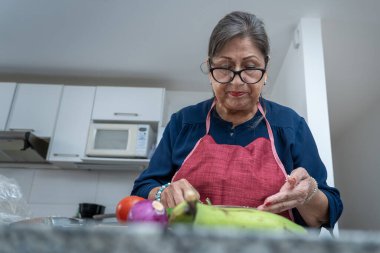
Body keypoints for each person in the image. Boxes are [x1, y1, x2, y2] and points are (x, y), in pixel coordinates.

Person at [131, 11, 343, 229]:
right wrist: (163, 192)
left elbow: (326, 214)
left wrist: (308, 194)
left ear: (266, 69)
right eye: (225, 67)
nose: (237, 81)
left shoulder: (290, 126)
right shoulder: (183, 122)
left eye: (250, 68)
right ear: (210, 67)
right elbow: (142, 188)